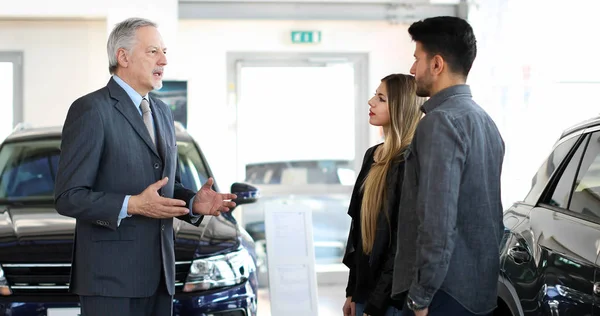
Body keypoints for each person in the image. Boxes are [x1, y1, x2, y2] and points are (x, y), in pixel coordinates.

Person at [53, 17, 237, 316]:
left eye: (164, 51)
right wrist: (133, 205)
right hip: (110, 280)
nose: (164, 60)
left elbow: (166, 185)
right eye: (153, 51)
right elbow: (68, 196)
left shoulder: (162, 112)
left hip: (161, 276)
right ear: (122, 57)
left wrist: (193, 202)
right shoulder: (91, 110)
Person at [391, 16, 505, 316]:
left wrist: (420, 296)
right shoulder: (484, 121)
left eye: (417, 60)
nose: (413, 69)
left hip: (442, 295)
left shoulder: (440, 123)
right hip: (478, 294)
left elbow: (437, 219)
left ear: (437, 64)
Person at [342, 74, 425, 316]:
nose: (370, 102)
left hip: (391, 297)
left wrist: (376, 305)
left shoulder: (410, 161)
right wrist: (353, 292)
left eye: (380, 98)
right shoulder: (373, 155)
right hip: (365, 291)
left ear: (400, 106)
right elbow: (358, 233)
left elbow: (402, 244)